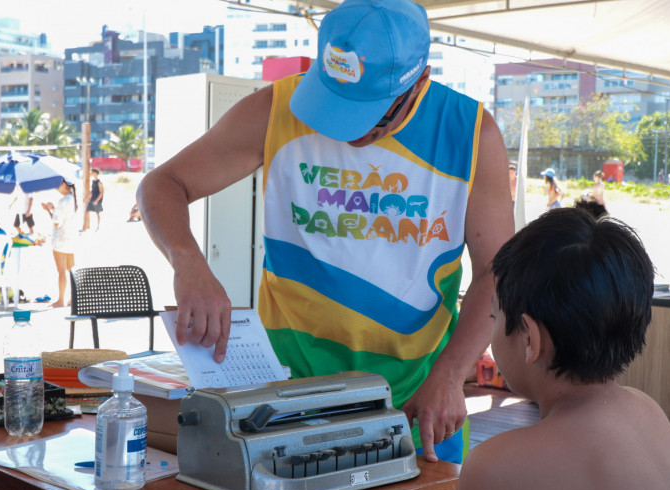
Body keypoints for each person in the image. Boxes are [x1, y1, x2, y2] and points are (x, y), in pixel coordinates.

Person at [137, 0, 514, 464]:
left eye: (369, 116)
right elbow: (162, 184)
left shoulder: (471, 134)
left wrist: (453, 374)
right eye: (333, 104)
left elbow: (498, 272)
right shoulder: (277, 108)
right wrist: (188, 261)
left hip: (417, 405)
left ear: (420, 81)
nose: (345, 131)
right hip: (284, 400)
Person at [457, 208, 670, 490]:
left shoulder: (495, 469)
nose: (492, 328)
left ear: (529, 339)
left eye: (495, 315)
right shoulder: (646, 410)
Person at [41, 179, 78, 308]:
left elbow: (57, 222)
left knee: (61, 270)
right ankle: (74, 298)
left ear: (64, 185)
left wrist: (48, 210)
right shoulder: (73, 199)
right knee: (71, 270)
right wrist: (53, 209)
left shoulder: (63, 201)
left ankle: (61, 300)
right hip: (71, 237)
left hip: (61, 239)